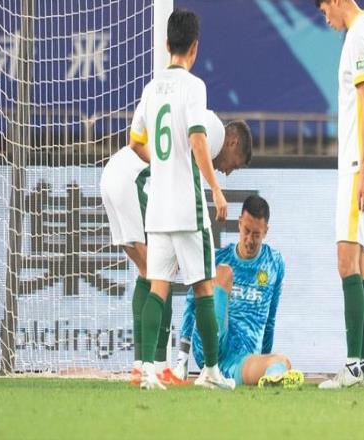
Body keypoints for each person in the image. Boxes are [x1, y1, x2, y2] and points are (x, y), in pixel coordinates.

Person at [100, 112, 252, 387]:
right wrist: (212, 193)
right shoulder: (213, 130)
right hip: (135, 180)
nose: (228, 171)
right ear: (232, 143)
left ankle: (141, 367)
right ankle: (159, 367)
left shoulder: (180, 114)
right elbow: (186, 169)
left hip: (114, 174)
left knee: (148, 271)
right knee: (162, 273)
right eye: (235, 164)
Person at [133, 8, 235, 391]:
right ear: (194, 47)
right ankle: (210, 372)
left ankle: (146, 369)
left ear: (166, 45)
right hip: (187, 207)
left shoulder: (150, 89)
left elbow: (135, 141)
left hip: (158, 206)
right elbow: (197, 139)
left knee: (157, 286)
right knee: (204, 287)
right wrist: (215, 187)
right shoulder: (194, 87)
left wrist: (161, 165)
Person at [314, 0, 364, 389]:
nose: (325, 17)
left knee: (346, 261)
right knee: (360, 263)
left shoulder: (358, 36)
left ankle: (354, 365)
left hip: (359, 165)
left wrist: (362, 170)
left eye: (325, 7)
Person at [173, 196, 304, 389]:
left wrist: (264, 359)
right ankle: (210, 369)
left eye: (256, 234)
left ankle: (272, 378)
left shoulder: (274, 263)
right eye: (246, 231)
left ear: (266, 231)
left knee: (282, 361)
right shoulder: (219, 258)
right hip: (210, 348)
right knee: (224, 272)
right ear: (239, 223)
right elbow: (192, 303)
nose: (250, 240)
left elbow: (270, 319)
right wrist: (182, 358)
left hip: (240, 361)